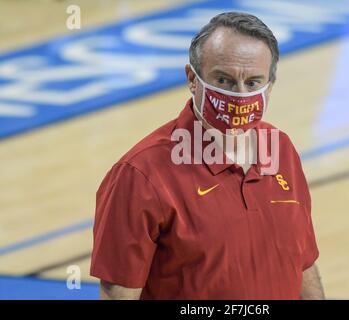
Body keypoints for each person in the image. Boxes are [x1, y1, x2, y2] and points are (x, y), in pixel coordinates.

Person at [90, 11, 325, 300]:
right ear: (192, 78)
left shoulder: (281, 149)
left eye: (252, 83)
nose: (239, 95)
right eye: (224, 80)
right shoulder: (139, 175)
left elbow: (303, 263)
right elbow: (118, 294)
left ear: (270, 86)